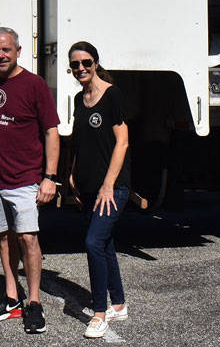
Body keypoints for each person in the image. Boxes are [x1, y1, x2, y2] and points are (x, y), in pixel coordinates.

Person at [0, 27, 60, 334]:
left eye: (6, 50)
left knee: (28, 239)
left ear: (18, 51)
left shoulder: (34, 85)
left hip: (24, 178)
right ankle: (11, 299)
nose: (1, 55)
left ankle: (33, 302)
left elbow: (51, 132)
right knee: (3, 239)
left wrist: (50, 177)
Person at [67, 41, 131, 339]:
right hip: (89, 185)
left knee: (93, 242)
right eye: (76, 64)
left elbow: (122, 142)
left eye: (86, 63)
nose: (81, 68)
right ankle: (118, 304)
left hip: (113, 187)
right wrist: (72, 175)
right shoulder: (81, 99)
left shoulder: (112, 95)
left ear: (95, 63)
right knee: (105, 245)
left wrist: (108, 185)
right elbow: (81, 142)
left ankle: (99, 314)